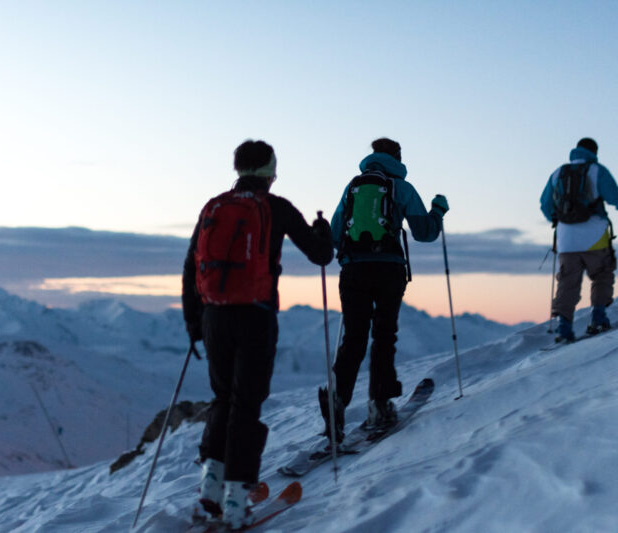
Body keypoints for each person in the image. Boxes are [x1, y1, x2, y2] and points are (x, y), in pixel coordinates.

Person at [182, 140, 333, 529]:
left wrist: (194, 323)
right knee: (247, 405)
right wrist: (322, 231)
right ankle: (236, 501)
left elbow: (191, 266)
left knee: (223, 399)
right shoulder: (276, 207)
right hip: (255, 316)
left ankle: (209, 494)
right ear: (270, 171)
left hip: (215, 316)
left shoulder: (214, 207)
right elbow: (320, 255)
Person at [319, 137, 448, 441]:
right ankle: (380, 404)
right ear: (398, 157)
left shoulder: (352, 187)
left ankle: (336, 402)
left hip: (353, 269)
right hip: (389, 269)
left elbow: (337, 233)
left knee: (353, 337)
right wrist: (438, 211)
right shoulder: (402, 187)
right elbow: (425, 233)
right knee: (384, 334)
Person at [540, 137, 618, 343]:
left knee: (568, 281)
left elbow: (545, 204)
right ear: (594, 152)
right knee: (601, 274)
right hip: (594, 235)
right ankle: (598, 318)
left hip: (566, 239)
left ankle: (564, 328)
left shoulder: (558, 172)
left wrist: (561, 221)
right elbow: (615, 198)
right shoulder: (597, 170)